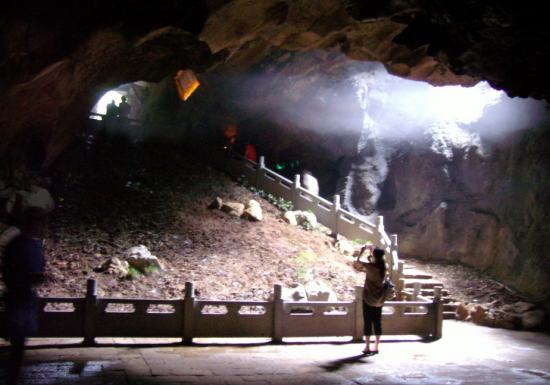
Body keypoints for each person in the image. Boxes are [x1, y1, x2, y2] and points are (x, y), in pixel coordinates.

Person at [1, 210, 47, 384]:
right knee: (18, 341)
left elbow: (40, 267)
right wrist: (30, 277)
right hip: (17, 295)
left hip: (26, 295)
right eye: (39, 224)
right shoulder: (18, 244)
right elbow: (9, 273)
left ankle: (14, 375)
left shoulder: (35, 245)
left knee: (19, 341)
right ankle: (12, 377)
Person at [355, 244, 388, 355]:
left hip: (368, 298)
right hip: (379, 299)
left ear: (374, 255)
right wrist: (373, 252)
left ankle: (367, 346)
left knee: (368, 322)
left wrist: (363, 250)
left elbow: (358, 261)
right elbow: (378, 259)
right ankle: (376, 346)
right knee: (377, 323)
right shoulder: (384, 267)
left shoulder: (370, 267)